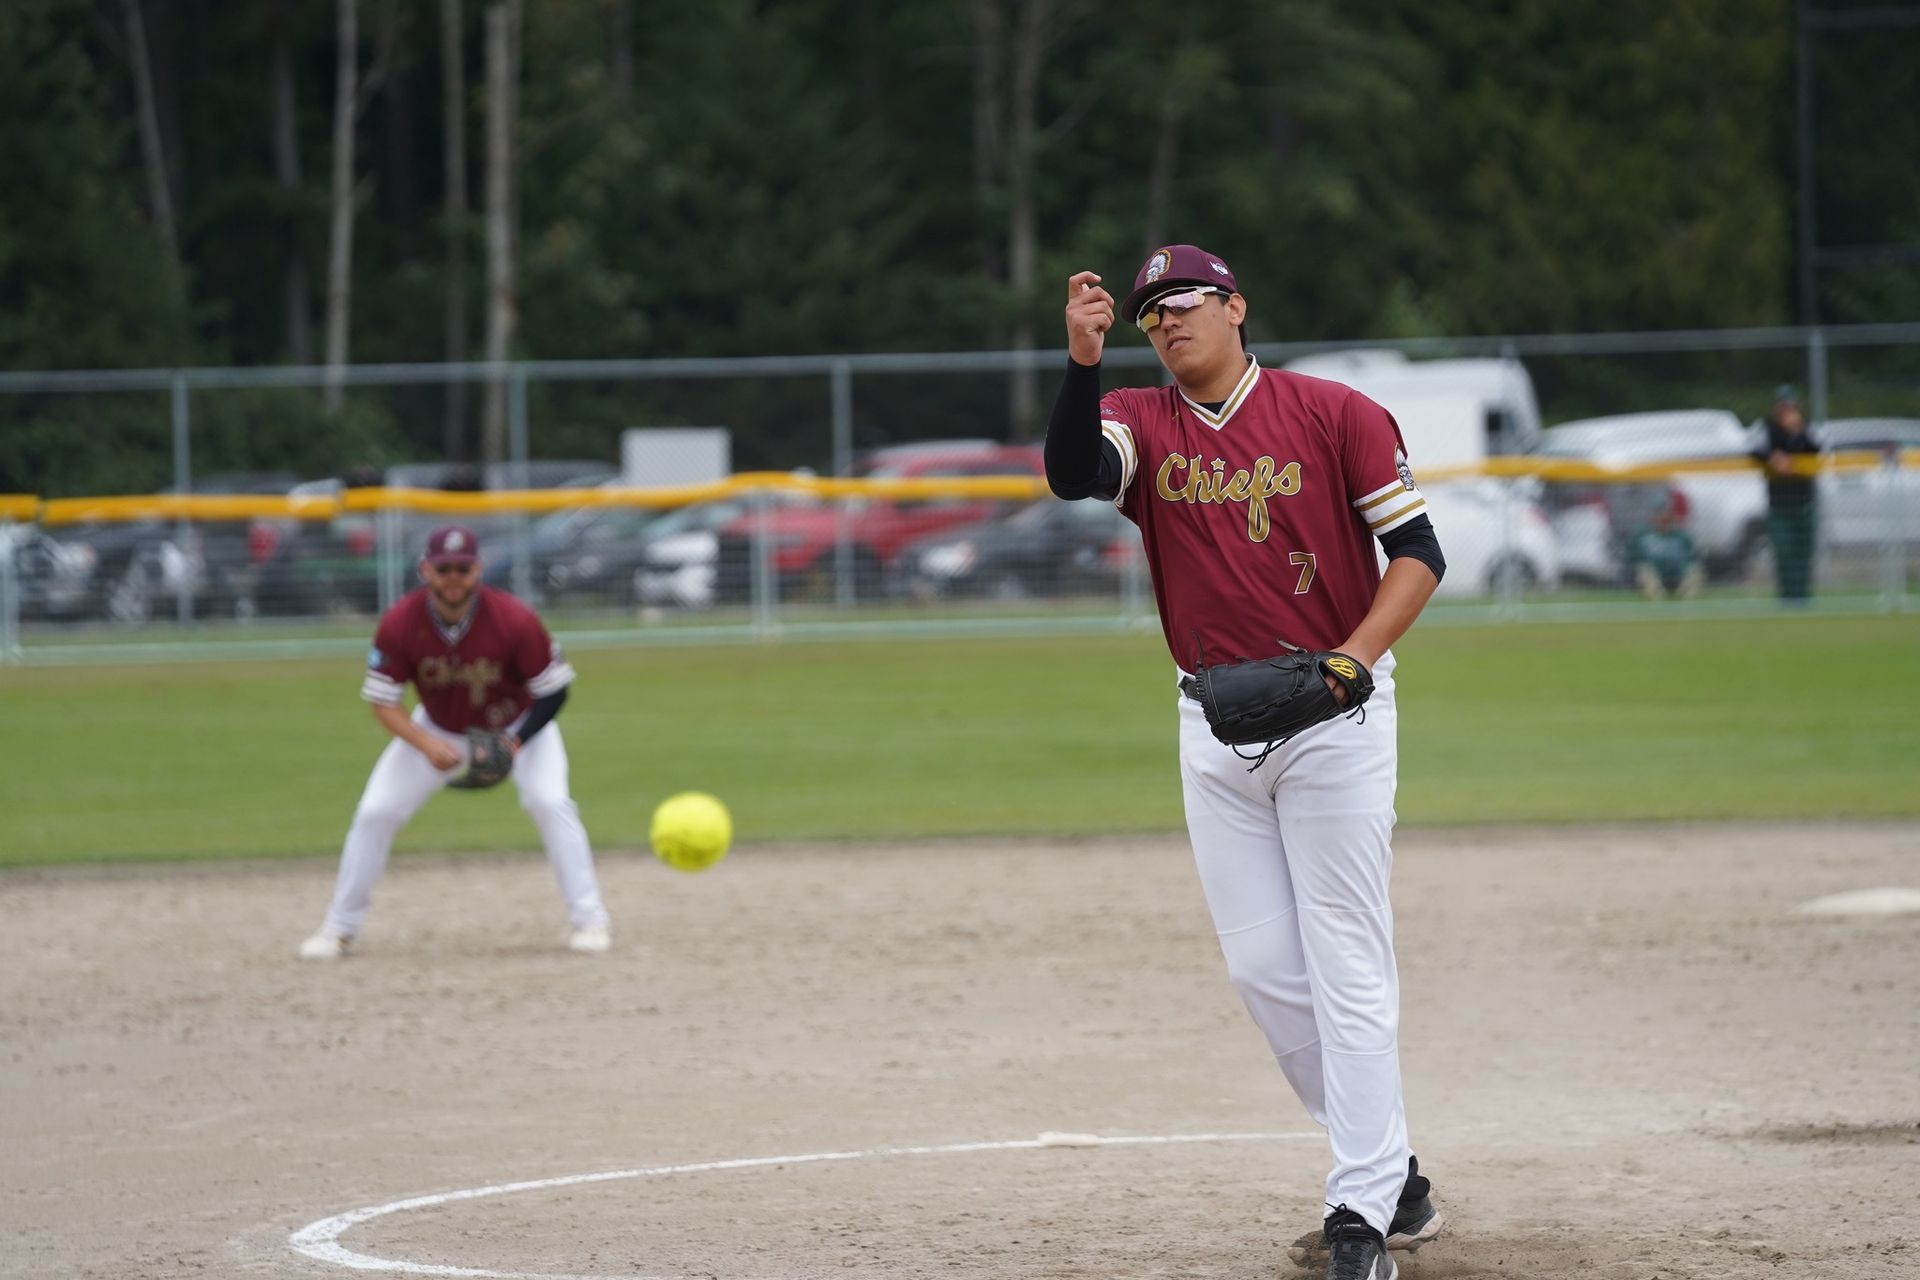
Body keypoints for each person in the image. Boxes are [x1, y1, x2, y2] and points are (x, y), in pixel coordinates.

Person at [1047, 246, 1446, 1280]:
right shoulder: (1142, 417)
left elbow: (1420, 553)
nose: (1165, 322)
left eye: (1181, 302)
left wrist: (1357, 656)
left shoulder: (1336, 413)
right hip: (1213, 723)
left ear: (1233, 306)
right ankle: (1390, 1164)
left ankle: (1360, 1216)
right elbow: (1072, 472)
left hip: (1335, 714)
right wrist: (1084, 363)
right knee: (1265, 970)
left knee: (1347, 959)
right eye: (1148, 315)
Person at [298, 524, 612, 959]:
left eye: (462, 568)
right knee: (376, 811)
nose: (452, 577)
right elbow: (384, 702)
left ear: (477, 569)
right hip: (439, 728)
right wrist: (425, 743)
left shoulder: (514, 619)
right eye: (443, 567)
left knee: (550, 802)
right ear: (425, 569)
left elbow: (553, 690)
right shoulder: (400, 623)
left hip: (517, 724)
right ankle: (338, 928)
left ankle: (590, 920)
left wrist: (514, 742)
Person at [1752, 384, 1818, 604]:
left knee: (1803, 552)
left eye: (1790, 406)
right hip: (1779, 503)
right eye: (1782, 406)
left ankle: (1802, 597)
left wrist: (1797, 433)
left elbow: (1818, 449)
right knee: (1784, 552)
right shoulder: (1767, 429)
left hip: (1804, 501)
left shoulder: (1807, 429)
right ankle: (1787, 597)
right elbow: (1753, 450)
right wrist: (1773, 456)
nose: (1786, 410)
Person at [1626, 491, 1704, 600]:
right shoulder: (1642, 536)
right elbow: (1633, 560)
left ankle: (1687, 606)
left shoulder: (1681, 536)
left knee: (1695, 572)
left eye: (1665, 512)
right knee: (1645, 572)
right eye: (1659, 513)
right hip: (1654, 579)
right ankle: (1657, 602)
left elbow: (1694, 559)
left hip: (1678, 578)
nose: (1662, 516)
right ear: (1653, 515)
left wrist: (1690, 570)